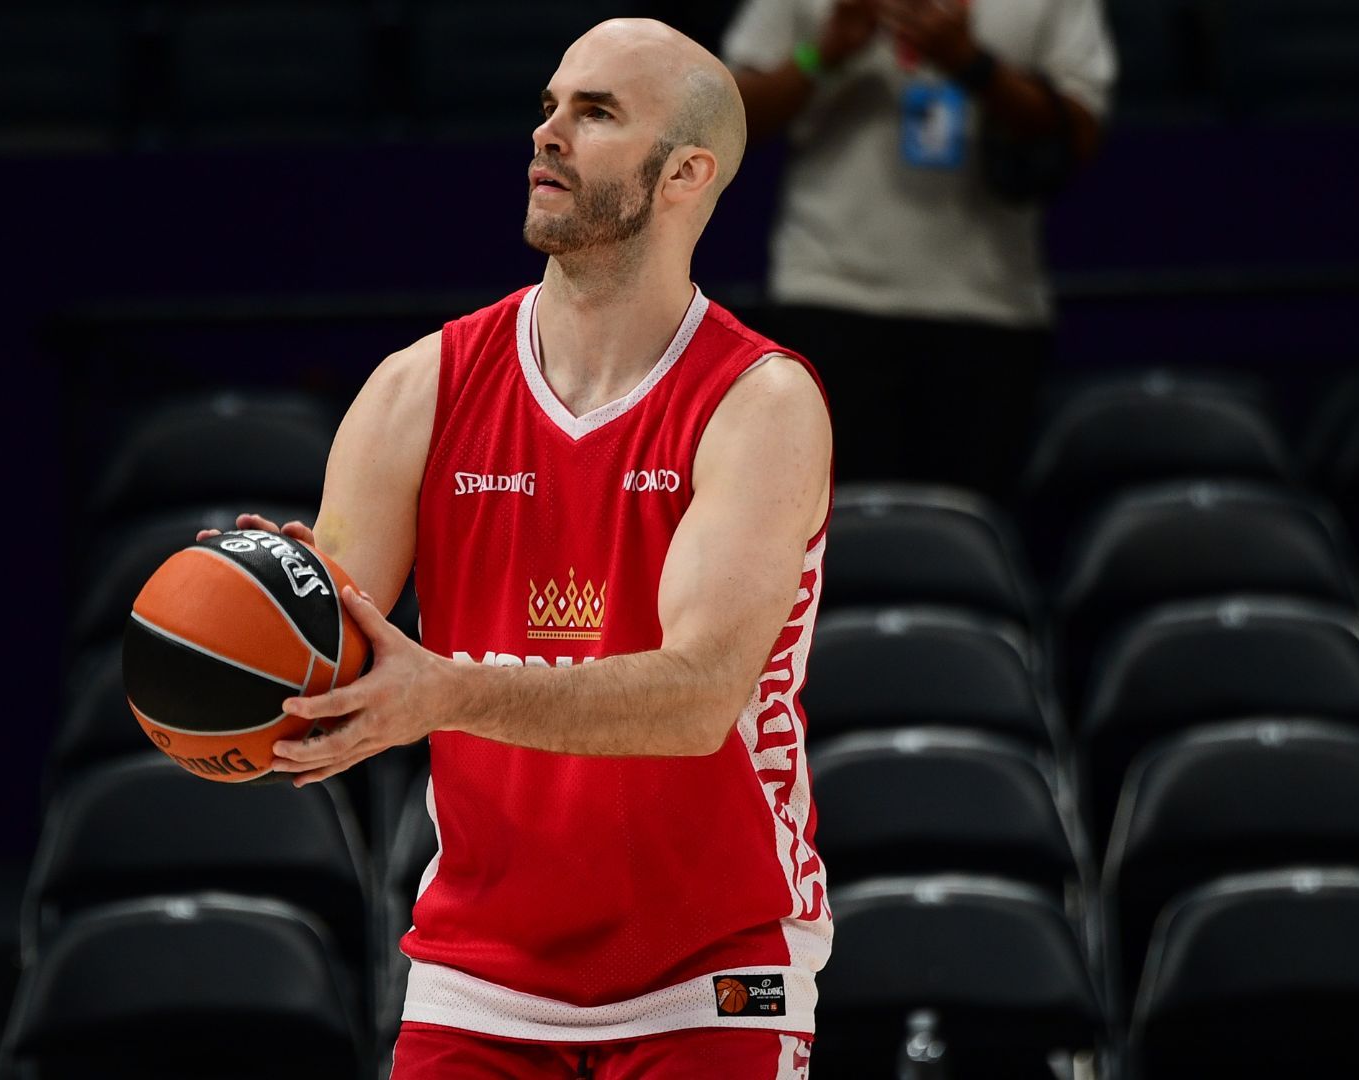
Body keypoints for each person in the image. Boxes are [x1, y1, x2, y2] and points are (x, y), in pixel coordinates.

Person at [200, 18, 832, 1078]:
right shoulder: (416, 388)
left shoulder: (759, 403)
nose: (548, 132)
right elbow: (340, 660)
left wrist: (446, 692)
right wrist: (265, 640)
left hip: (712, 968)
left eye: (596, 113)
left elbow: (696, 700)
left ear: (686, 173)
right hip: (480, 970)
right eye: (548, 106)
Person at [723, 0, 1116, 494]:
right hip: (829, 295)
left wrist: (972, 65)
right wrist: (822, 54)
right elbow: (726, 119)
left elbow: (1081, 133)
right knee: (831, 530)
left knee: (972, 529)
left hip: (990, 307)